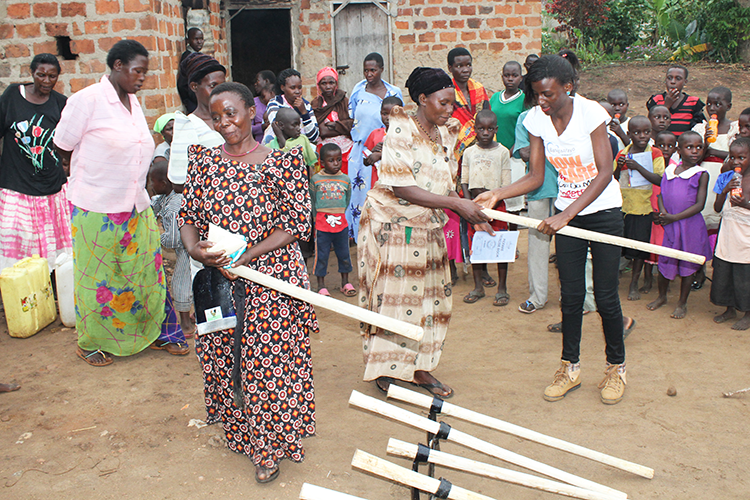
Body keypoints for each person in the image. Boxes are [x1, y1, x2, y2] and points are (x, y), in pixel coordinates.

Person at [178, 81, 317, 483]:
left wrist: (245, 256)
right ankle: (245, 434)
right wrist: (194, 251)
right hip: (221, 283)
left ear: (251, 113)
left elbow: (295, 226)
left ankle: (269, 446)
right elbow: (188, 217)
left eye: (232, 114)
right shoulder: (204, 162)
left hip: (272, 279)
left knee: (269, 363)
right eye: (217, 116)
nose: (225, 124)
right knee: (229, 360)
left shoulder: (280, 162)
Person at [476, 54, 628, 405]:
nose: (542, 102)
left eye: (548, 94)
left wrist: (567, 215)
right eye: (537, 95)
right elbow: (536, 176)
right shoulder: (536, 119)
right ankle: (570, 368)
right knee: (571, 297)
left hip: (603, 212)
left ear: (568, 87)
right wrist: (498, 193)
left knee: (605, 297)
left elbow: (605, 172)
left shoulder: (590, 113)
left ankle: (616, 368)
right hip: (567, 213)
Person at [357, 67, 490, 399]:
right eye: (443, 103)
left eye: (452, 103)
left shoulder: (445, 134)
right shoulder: (400, 130)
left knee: (429, 300)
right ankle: (386, 370)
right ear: (422, 99)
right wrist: (458, 206)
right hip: (393, 227)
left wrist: (473, 213)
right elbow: (402, 188)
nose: (449, 109)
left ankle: (418, 369)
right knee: (394, 300)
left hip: (427, 226)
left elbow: (446, 185)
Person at [54, 40, 187, 367]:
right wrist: (89, 176)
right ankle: (90, 342)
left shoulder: (133, 102)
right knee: (98, 278)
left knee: (147, 271)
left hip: (135, 206)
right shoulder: (86, 100)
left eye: (145, 71)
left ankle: (159, 332)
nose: (142, 77)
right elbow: (62, 145)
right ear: (117, 66)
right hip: (96, 208)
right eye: (137, 70)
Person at [0, 53, 71, 274]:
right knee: (16, 238)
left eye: (52, 76)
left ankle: (52, 290)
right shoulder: (13, 95)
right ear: (32, 73)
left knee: (56, 246)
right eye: (41, 75)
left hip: (51, 187)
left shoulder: (60, 103)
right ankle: (18, 289)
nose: (47, 81)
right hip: (16, 184)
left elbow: (67, 141)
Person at [646, 131, 712, 319]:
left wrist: (674, 218)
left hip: (689, 226)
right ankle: (662, 297)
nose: (695, 151)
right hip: (671, 226)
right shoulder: (669, 171)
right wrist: (662, 213)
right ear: (679, 150)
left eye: (699, 147)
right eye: (689, 147)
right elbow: (661, 196)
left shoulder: (701, 174)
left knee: (687, 265)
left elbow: (699, 205)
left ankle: (682, 303)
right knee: (665, 260)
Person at [347, 53, 403, 240]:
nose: (369, 74)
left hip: (391, 151)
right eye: (365, 70)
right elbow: (353, 116)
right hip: (363, 151)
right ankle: (361, 235)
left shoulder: (394, 92)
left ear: (381, 69)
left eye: (373, 70)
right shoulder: (358, 91)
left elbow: (401, 118)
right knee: (361, 195)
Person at [460, 109, 512, 306]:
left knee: (501, 248)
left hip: (497, 207)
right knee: (477, 248)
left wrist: (494, 203)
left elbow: (506, 185)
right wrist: (468, 205)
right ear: (474, 129)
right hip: (474, 206)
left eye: (490, 129)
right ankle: (478, 287)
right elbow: (464, 181)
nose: (485, 133)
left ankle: (502, 289)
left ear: (496, 130)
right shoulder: (469, 152)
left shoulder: (503, 152)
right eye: (481, 129)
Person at [513, 103, 559, 314]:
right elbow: (524, 152)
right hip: (538, 188)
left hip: (571, 190)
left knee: (574, 243)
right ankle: (537, 296)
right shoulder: (527, 117)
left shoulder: (571, 112)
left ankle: (581, 298)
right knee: (538, 242)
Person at [614, 116, 665, 301]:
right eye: (636, 132)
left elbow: (659, 179)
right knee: (619, 246)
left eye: (646, 132)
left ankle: (634, 283)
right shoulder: (622, 154)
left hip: (644, 209)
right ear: (629, 134)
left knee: (639, 250)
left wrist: (638, 167)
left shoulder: (655, 153)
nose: (642, 136)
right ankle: (613, 280)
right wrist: (619, 168)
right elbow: (613, 179)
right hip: (624, 208)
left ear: (651, 133)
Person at [168, 52, 226, 189]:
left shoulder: (232, 120)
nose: (220, 92)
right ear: (194, 87)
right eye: (213, 85)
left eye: (222, 85)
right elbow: (178, 182)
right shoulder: (189, 125)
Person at [149, 160, 194, 334]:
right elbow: (155, 204)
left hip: (187, 248)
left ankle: (185, 324)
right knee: (194, 281)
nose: (151, 186)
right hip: (192, 243)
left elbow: (174, 239)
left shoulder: (175, 206)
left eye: (153, 182)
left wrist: (155, 236)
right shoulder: (169, 197)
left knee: (180, 282)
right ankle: (195, 315)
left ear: (164, 183)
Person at [710, 138, 750, 330]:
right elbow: (717, 208)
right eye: (732, 157)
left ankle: (748, 313)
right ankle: (729, 308)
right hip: (728, 232)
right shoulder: (726, 177)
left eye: (741, 157)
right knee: (726, 272)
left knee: (745, 277)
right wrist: (724, 192)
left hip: (746, 237)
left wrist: (745, 205)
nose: (736, 162)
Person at [311, 144, 354, 297]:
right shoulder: (316, 180)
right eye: (331, 160)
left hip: (341, 223)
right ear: (322, 162)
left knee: (344, 254)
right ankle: (321, 285)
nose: (336, 163)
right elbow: (313, 200)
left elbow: (347, 199)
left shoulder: (345, 179)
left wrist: (339, 212)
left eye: (338, 160)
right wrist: (316, 219)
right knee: (321, 255)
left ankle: (345, 283)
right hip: (322, 224)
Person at [642, 130, 678, 294]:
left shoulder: (676, 168)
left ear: (675, 149)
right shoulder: (649, 165)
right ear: (654, 146)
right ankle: (648, 280)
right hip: (650, 213)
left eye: (670, 146)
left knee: (666, 249)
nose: (665, 149)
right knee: (649, 248)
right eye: (661, 145)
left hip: (667, 216)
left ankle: (666, 282)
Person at [489, 60, 526, 214]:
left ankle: (513, 235)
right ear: (502, 77)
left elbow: (525, 129)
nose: (510, 79)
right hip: (493, 155)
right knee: (494, 196)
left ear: (521, 78)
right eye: (507, 75)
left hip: (514, 157)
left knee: (512, 201)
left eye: (514, 75)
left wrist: (510, 151)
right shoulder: (495, 98)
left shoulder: (525, 100)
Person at [311, 67, 353, 173]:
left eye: (331, 82)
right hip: (325, 150)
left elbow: (352, 125)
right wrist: (342, 126)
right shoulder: (316, 104)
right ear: (319, 85)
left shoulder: (344, 101)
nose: (328, 86)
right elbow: (322, 131)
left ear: (336, 83)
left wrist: (334, 124)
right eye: (324, 83)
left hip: (346, 149)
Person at [263, 68, 319, 146]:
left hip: (301, 148)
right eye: (292, 88)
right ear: (282, 87)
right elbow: (278, 128)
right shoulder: (275, 103)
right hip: (279, 146)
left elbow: (314, 137)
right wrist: (287, 147)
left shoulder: (306, 105)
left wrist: (304, 113)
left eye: (299, 87)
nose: (297, 91)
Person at [646, 65, 705, 136]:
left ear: (685, 82)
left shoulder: (693, 102)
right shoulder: (656, 100)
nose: (673, 82)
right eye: (669, 78)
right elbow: (650, 125)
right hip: (661, 144)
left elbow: (699, 128)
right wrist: (666, 105)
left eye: (678, 78)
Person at [363, 96, 402, 187]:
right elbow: (365, 162)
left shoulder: (405, 135)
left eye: (392, 114)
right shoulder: (375, 134)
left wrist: (381, 155)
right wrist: (371, 153)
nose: (388, 118)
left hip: (397, 183)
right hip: (378, 182)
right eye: (384, 114)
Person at [177, 27, 204, 114]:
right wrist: (189, 100)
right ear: (188, 41)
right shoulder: (188, 57)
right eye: (196, 39)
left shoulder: (197, 56)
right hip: (193, 102)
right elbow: (182, 83)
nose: (199, 42)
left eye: (201, 39)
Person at [252, 70, 276, 143]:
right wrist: (261, 127)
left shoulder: (280, 103)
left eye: (257, 81)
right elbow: (247, 129)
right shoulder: (253, 103)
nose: (255, 84)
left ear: (266, 81)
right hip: (259, 145)